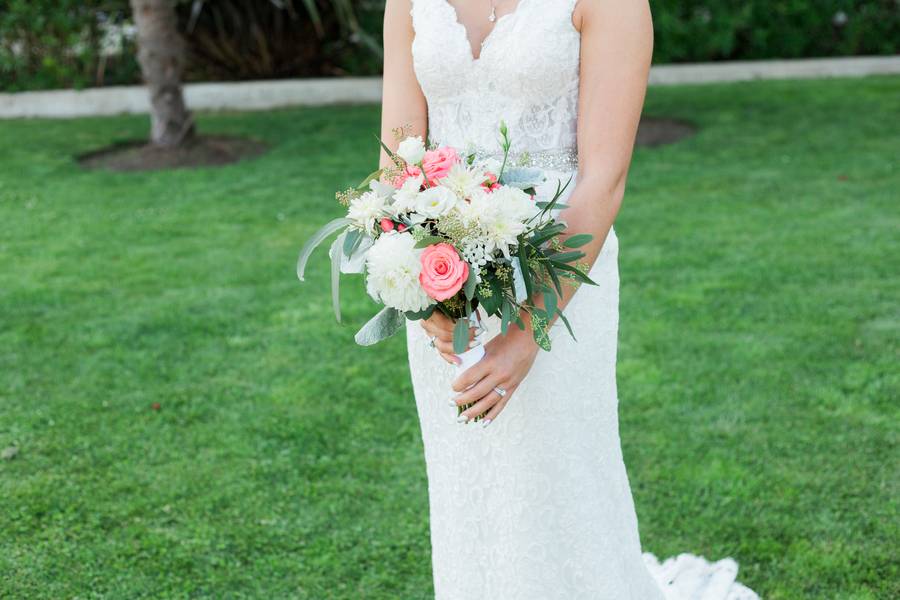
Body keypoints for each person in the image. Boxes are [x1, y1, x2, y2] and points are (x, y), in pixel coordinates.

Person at [380, 0, 759, 597]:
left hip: (557, 267)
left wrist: (529, 330)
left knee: (557, 470)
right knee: (470, 481)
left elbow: (602, 178)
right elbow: (396, 159)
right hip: (443, 269)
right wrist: (419, 286)